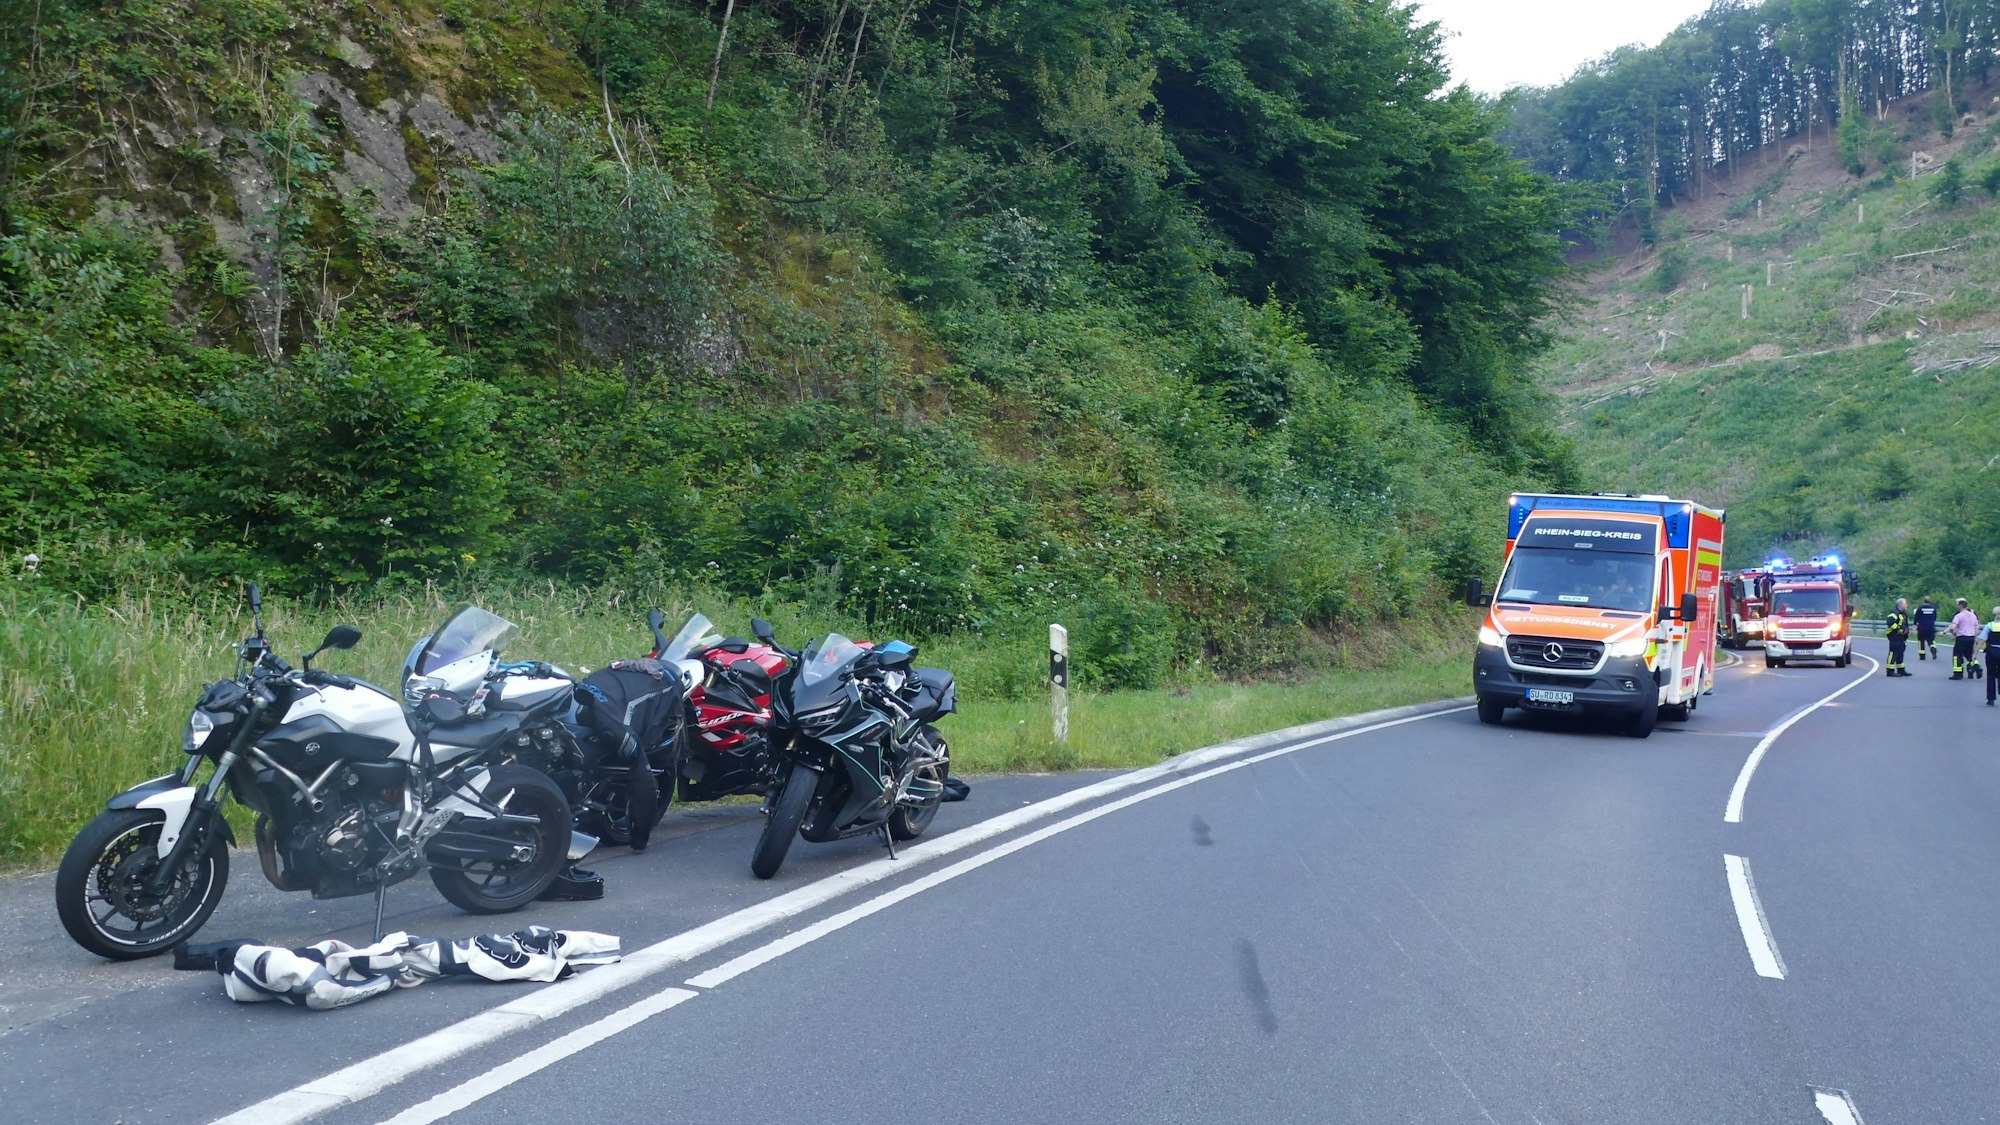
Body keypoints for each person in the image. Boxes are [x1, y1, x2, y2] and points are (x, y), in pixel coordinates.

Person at [1949, 598, 1980, 679]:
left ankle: (1958, 673)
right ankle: (1976, 666)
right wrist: (1975, 636)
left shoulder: (1959, 615)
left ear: (1960, 605)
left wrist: (1952, 632)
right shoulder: (1973, 614)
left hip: (1961, 637)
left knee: (1957, 656)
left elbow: (1953, 626)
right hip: (1971, 637)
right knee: (1969, 655)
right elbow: (1977, 626)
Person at [1884, 599, 1912, 677]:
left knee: (1900, 653)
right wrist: (1898, 629)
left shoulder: (1903, 614)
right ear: (1901, 605)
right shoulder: (1894, 613)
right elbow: (1889, 622)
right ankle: (1890, 671)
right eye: (1905, 604)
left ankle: (1901, 670)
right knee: (1893, 653)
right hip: (1894, 636)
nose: (1906, 605)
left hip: (1901, 637)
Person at [1915, 595, 1941, 660]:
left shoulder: (1920, 608)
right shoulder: (1933, 608)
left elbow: (1916, 617)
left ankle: (1922, 656)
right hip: (1930, 627)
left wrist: (1915, 624)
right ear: (1930, 601)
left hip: (1921, 628)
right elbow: (1934, 617)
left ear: (1923, 601)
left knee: (1921, 641)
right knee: (1931, 640)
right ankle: (1933, 649)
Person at [1983, 607, 2000, 704]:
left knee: (1990, 674)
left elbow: (1982, 640)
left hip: (1991, 652)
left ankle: (1991, 698)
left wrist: (1975, 653)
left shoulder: (1989, 626)